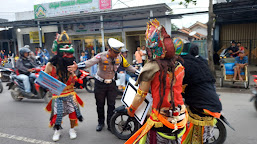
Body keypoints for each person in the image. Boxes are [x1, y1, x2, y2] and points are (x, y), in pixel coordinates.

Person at [125, 19, 187, 144]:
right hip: (180, 117)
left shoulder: (151, 68)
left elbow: (140, 95)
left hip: (161, 119)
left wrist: (131, 110)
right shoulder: (179, 66)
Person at [68, 38, 139, 132]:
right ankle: (100, 123)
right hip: (100, 84)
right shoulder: (101, 56)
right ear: (109, 50)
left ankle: (110, 124)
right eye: (115, 52)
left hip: (111, 84)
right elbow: (90, 62)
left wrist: (139, 72)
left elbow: (128, 66)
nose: (117, 54)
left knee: (111, 105)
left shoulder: (119, 58)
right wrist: (77, 66)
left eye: (118, 52)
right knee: (100, 104)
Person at [44, 31, 84, 142]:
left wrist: (75, 72)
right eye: (65, 53)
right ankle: (57, 130)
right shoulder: (50, 65)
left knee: (73, 113)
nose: (67, 55)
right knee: (57, 115)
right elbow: (45, 79)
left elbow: (76, 78)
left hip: (70, 93)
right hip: (58, 95)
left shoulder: (73, 64)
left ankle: (72, 129)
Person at [181, 44, 222, 144]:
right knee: (203, 137)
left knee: (196, 137)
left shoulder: (184, 63)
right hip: (213, 103)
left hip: (201, 106)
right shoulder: (201, 61)